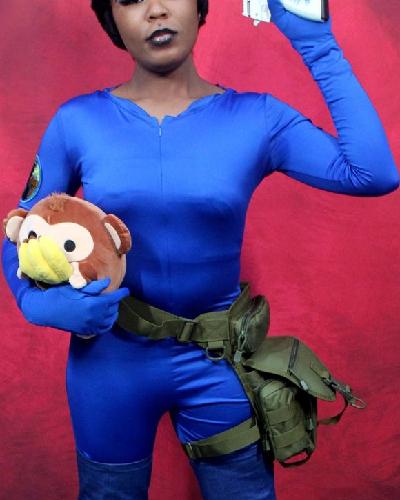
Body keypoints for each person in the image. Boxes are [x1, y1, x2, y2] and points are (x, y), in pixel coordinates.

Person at [2, 0, 399, 498]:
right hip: (110, 364)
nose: (156, 10)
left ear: (199, 5)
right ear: (111, 20)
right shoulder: (77, 122)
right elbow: (19, 230)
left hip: (218, 362)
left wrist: (317, 45)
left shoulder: (256, 117)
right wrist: (36, 301)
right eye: (131, 0)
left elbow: (373, 173)